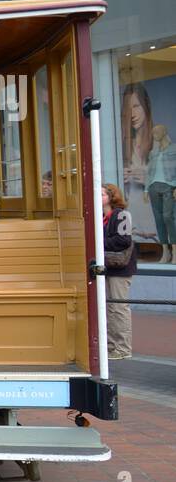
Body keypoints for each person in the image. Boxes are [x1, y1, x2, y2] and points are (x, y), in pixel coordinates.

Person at [102, 183, 135, 359]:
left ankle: (123, 348)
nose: (98, 198)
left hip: (120, 268)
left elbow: (124, 241)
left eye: (102, 195)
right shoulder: (101, 216)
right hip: (107, 267)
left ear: (111, 197)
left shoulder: (122, 215)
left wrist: (98, 243)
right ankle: (110, 346)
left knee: (119, 308)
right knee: (108, 308)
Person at [121, 83, 154, 206]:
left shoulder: (158, 143)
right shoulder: (123, 146)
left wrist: (150, 181)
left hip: (154, 212)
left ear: (146, 106)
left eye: (136, 106)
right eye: (128, 109)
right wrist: (120, 177)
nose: (132, 114)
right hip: (131, 212)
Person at [147, 125, 176, 263]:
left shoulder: (174, 149)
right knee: (159, 220)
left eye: (157, 132)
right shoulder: (153, 152)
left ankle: (175, 251)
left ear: (164, 132)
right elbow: (149, 172)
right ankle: (165, 252)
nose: (154, 134)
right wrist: (146, 189)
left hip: (169, 186)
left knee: (168, 217)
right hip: (154, 187)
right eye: (153, 132)